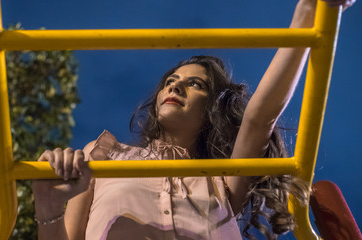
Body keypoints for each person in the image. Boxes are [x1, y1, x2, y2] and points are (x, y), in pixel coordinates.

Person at [32, 0, 355, 239]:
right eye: (171, 79)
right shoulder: (105, 158)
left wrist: (309, 11)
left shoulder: (221, 180)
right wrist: (47, 207)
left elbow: (260, 118)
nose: (175, 84)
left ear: (213, 108)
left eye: (195, 83)